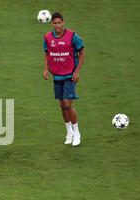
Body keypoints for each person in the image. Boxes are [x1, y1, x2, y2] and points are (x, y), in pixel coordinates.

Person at [42, 12, 85, 146]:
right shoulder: (48, 37)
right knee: (61, 104)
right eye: (54, 23)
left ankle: (77, 133)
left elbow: (82, 52)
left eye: (59, 22)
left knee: (67, 103)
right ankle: (69, 132)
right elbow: (47, 53)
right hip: (57, 75)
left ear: (63, 22)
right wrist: (45, 69)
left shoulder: (72, 36)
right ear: (52, 24)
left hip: (70, 75)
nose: (57, 25)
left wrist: (77, 71)